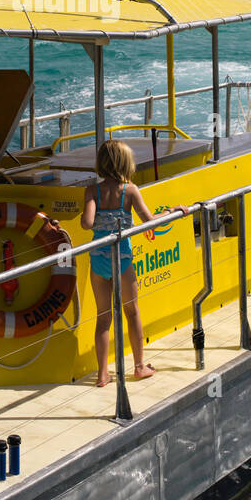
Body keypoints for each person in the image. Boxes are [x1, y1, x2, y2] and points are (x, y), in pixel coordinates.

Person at [81, 140, 187, 389]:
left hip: (98, 259)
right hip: (123, 258)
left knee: (103, 317)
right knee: (132, 312)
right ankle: (139, 366)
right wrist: (173, 211)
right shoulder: (129, 191)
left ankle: (102, 375)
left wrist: (96, 215)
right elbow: (150, 221)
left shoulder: (91, 191)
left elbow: (86, 223)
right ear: (125, 163)